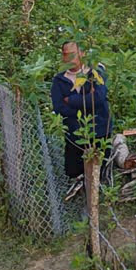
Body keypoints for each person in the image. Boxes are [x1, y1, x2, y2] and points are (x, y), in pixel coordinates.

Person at [49, 41, 112, 190]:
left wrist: (71, 100)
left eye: (73, 54)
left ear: (82, 54)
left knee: (99, 169)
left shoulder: (95, 73)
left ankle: (98, 200)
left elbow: (99, 98)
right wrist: (86, 107)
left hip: (100, 130)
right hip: (74, 134)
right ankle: (80, 199)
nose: (69, 58)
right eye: (66, 54)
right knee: (74, 171)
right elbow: (59, 108)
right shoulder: (59, 81)